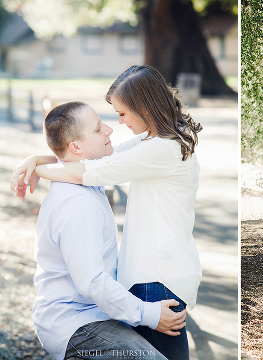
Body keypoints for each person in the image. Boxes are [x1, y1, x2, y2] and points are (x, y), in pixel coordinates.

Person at [11, 65, 202, 360]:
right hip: (157, 277)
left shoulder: (159, 149)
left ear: (144, 108)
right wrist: (37, 160)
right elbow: (100, 159)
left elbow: (94, 165)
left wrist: (38, 166)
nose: (117, 125)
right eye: (103, 125)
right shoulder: (165, 139)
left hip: (159, 278)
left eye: (122, 114)